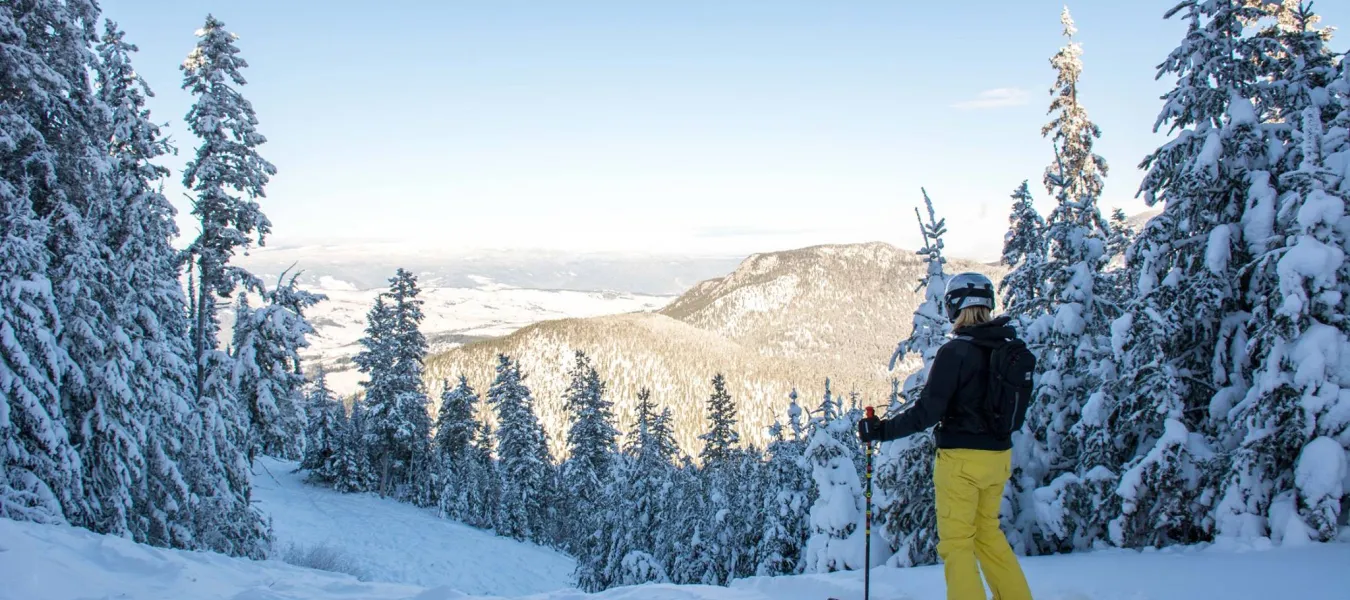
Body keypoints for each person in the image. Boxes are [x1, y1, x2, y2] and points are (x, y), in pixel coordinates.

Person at [858, 272, 1033, 600]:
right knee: (988, 537)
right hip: (998, 459)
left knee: (957, 545)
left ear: (955, 307)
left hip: (961, 463)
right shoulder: (1007, 348)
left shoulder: (956, 353)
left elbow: (926, 412)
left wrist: (881, 431)